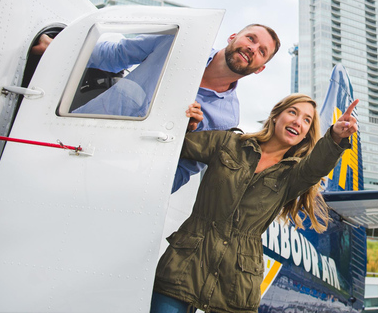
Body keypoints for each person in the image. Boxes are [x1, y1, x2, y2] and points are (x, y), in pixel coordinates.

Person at [150, 94, 359, 313]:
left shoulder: (294, 175)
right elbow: (174, 143)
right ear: (276, 116)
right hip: (183, 267)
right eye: (293, 112)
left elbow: (317, 166)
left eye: (307, 120)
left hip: (235, 286)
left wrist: (335, 136)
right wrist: (186, 123)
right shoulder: (228, 143)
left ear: (306, 133)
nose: (298, 121)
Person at [32, 24, 281, 192]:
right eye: (251, 38)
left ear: (260, 68)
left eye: (262, 52)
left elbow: (182, 171)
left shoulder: (227, 121)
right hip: (64, 138)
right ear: (233, 37)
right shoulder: (178, 45)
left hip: (107, 178)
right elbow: (113, 54)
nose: (252, 48)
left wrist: (181, 138)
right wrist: (57, 50)